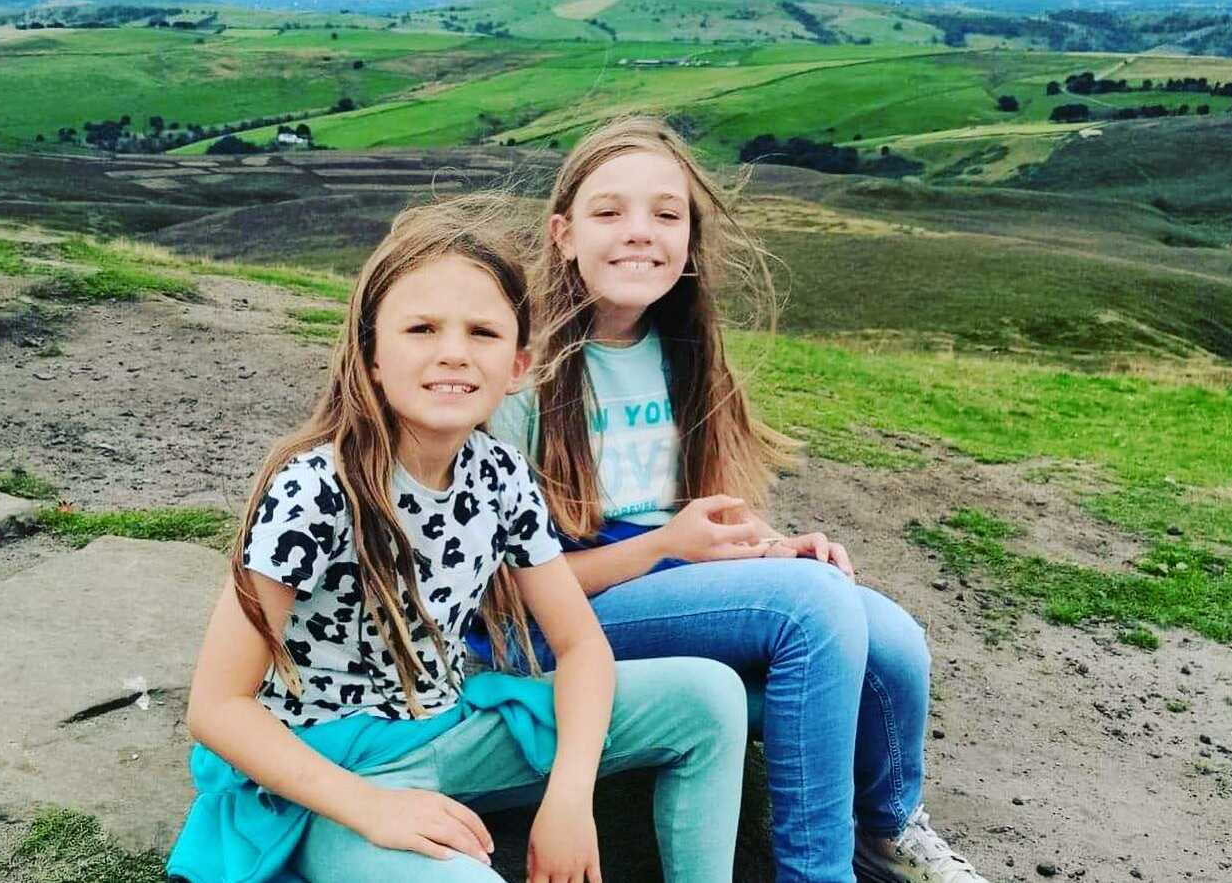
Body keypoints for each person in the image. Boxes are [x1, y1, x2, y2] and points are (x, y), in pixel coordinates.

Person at [167, 196, 748, 883]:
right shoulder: (313, 490)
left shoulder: (500, 474)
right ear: (371, 356)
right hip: (331, 780)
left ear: (518, 367)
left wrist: (569, 796)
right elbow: (216, 706)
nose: (452, 354)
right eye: (420, 328)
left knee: (710, 697)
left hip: (453, 730)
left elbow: (580, 644)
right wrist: (371, 809)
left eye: (482, 332)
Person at [482, 117, 990, 883]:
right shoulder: (525, 370)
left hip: (659, 591)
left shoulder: (684, 354)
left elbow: (696, 525)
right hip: (547, 623)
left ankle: (885, 830)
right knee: (810, 609)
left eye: (666, 213)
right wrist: (665, 549)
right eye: (609, 212)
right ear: (563, 233)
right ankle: (816, 874)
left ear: (689, 238)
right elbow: (493, 591)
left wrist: (770, 551)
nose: (639, 234)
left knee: (890, 642)